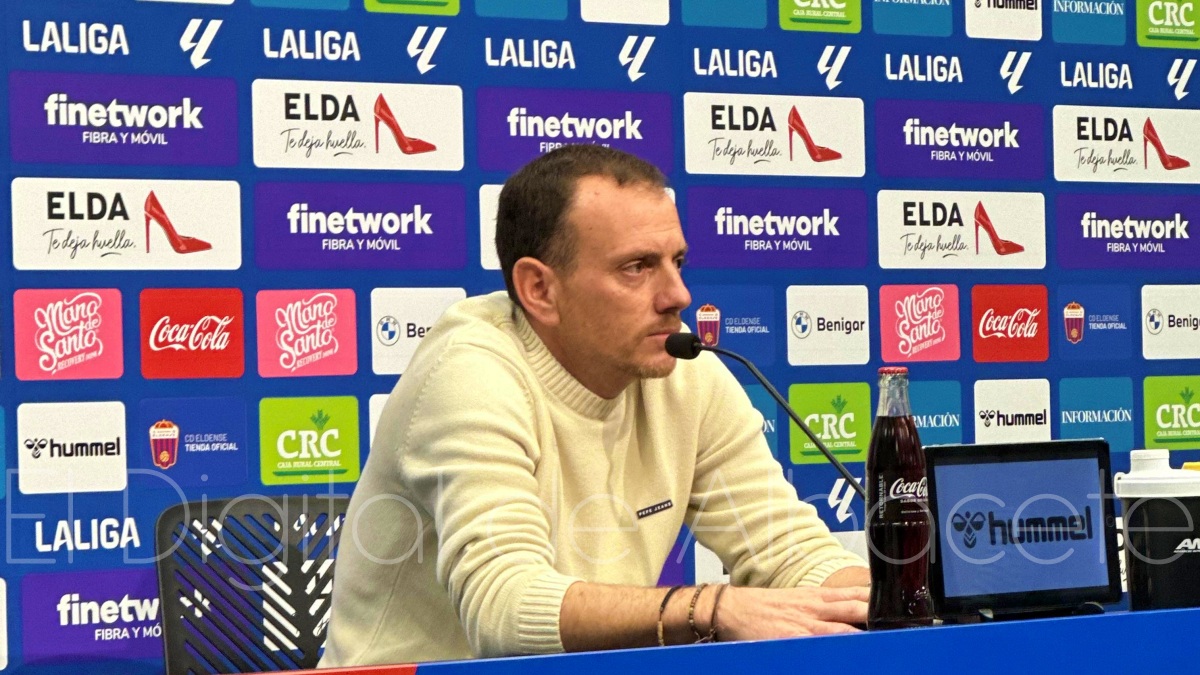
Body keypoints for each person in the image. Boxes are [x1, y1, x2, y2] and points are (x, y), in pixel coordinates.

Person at [320, 145, 869, 667]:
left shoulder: (685, 372)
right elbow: (503, 606)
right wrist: (712, 609)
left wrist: (895, 597)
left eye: (677, 261)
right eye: (637, 267)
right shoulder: (470, 372)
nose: (678, 295)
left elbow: (788, 552)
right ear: (539, 289)